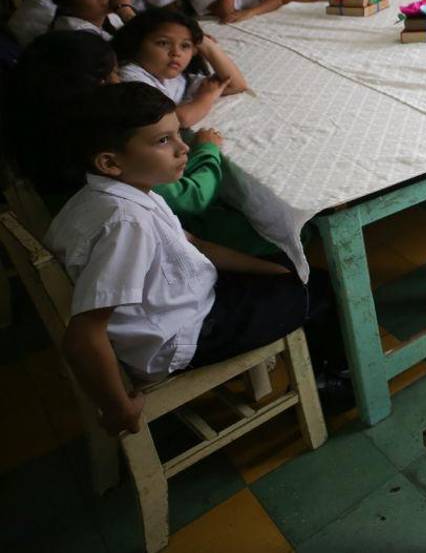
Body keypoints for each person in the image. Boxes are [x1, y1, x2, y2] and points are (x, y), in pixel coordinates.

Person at [47, 83, 349, 433]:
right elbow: (83, 336)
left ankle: (304, 332)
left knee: (288, 269)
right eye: (163, 141)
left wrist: (274, 270)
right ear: (110, 162)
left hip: (176, 306)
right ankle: (337, 383)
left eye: (178, 134)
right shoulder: (127, 224)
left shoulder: (113, 194)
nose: (183, 148)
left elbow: (195, 244)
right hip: (186, 335)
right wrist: (118, 408)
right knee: (322, 290)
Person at [2, 33, 274, 258]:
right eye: (109, 76)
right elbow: (190, 199)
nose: (118, 82)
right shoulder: (106, 147)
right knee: (263, 226)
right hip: (157, 245)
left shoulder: (40, 127)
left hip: (103, 232)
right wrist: (207, 149)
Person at [112, 8, 249, 127]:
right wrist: (206, 96)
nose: (176, 53)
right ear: (136, 44)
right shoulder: (130, 75)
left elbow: (235, 84)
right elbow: (177, 120)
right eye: (163, 43)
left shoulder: (173, 76)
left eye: (185, 46)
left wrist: (205, 43)